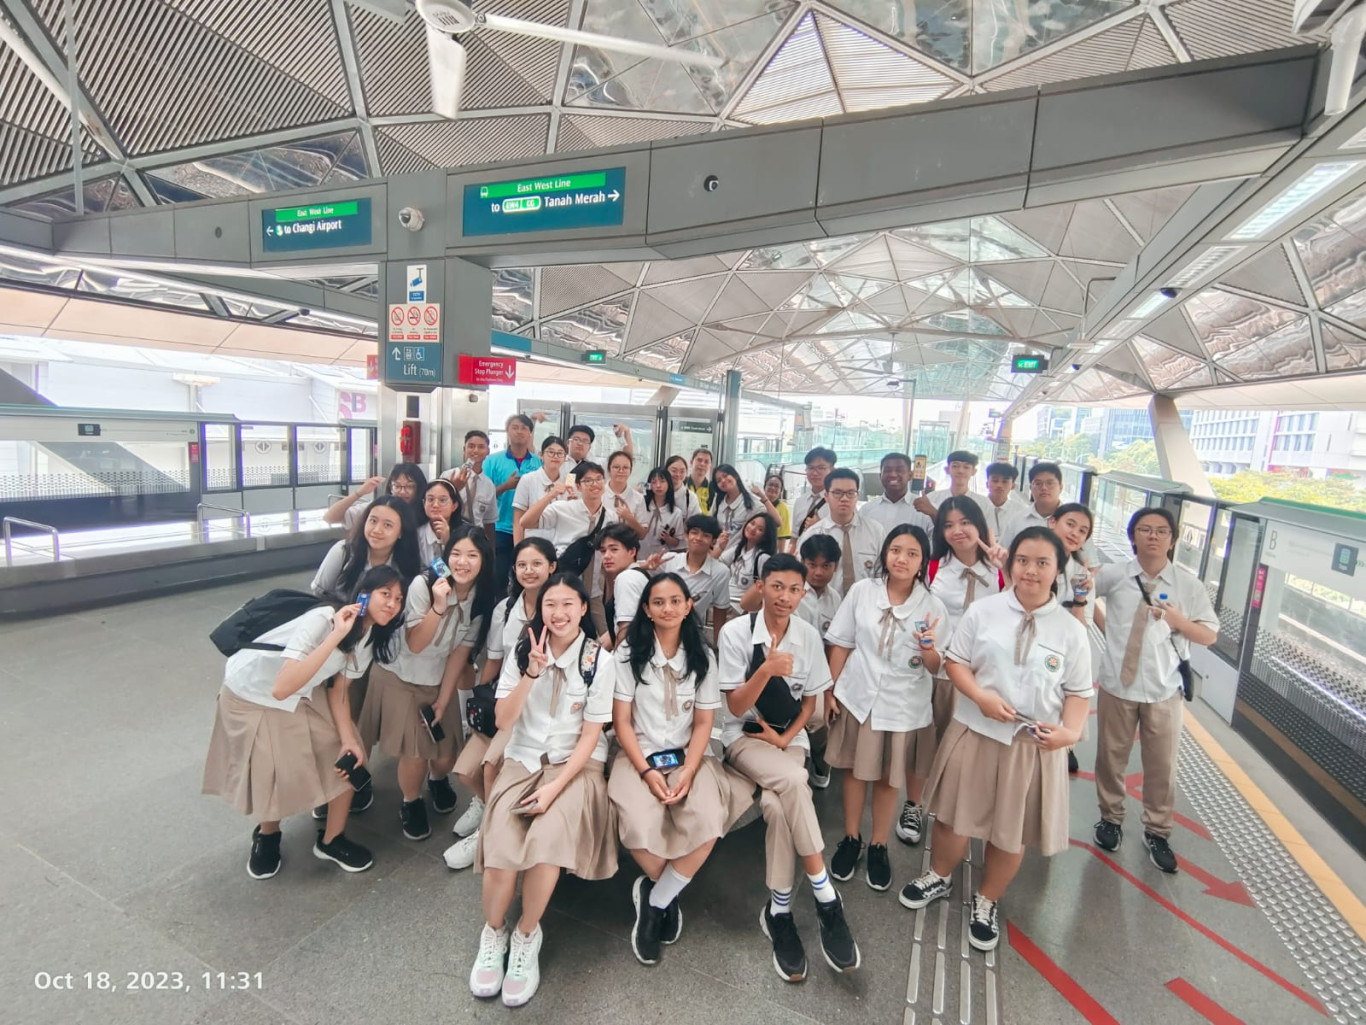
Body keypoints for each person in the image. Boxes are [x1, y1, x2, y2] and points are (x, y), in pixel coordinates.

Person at [900, 527, 1092, 953]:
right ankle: (939, 875)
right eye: (1023, 560)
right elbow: (956, 663)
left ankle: (986, 899)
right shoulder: (983, 612)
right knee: (953, 817)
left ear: (1058, 569)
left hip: (1031, 744)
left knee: (1010, 832)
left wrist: (1070, 732)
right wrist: (980, 697)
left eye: (1042, 563)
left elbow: (1079, 693)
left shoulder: (1070, 630)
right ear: (1010, 562)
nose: (1030, 570)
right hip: (976, 728)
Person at [469, 575, 618, 1007]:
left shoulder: (598, 660)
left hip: (574, 767)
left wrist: (555, 789)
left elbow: (591, 736)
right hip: (523, 757)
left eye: (568, 603)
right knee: (501, 852)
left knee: (546, 847)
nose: (559, 613)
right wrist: (531, 673)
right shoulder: (523, 651)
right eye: (551, 604)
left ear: (582, 609)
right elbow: (502, 721)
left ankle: (526, 934)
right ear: (541, 609)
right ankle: (493, 932)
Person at [202, 565, 405, 879]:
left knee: (348, 751)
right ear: (364, 595)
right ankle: (268, 835)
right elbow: (282, 687)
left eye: (399, 599)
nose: (392, 604)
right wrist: (336, 635)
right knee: (272, 768)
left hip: (299, 692)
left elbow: (339, 689)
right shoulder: (323, 619)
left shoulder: (368, 636)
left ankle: (332, 839)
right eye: (385, 594)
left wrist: (349, 740)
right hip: (250, 693)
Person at [717, 553, 860, 982]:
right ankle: (825, 893)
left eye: (794, 589)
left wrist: (786, 738)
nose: (785, 597)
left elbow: (811, 701)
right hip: (745, 737)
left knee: (778, 807)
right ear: (761, 586)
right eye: (776, 586)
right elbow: (734, 706)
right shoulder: (735, 633)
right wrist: (765, 670)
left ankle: (778, 910)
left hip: (788, 738)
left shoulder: (807, 635)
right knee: (798, 779)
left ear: (802, 594)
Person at [610, 573, 753, 966]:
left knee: (709, 819)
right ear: (646, 609)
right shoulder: (627, 654)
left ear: (689, 606)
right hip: (639, 754)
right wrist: (645, 771)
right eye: (658, 602)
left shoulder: (703, 655)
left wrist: (690, 769)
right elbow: (621, 722)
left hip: (689, 754)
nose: (668, 609)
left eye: (676, 601)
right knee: (636, 824)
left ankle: (655, 900)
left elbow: (705, 722)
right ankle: (667, 889)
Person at [1092, 507, 1217, 874]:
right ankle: (1110, 819)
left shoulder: (1188, 585)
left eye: (1162, 531)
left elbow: (1209, 635)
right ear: (1132, 536)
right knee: (1110, 757)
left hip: (1164, 689)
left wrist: (1179, 621)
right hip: (1117, 684)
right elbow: (1078, 595)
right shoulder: (1114, 574)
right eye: (1144, 529)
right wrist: (1103, 627)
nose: (1153, 536)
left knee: (1162, 765)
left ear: (1173, 540)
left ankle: (1158, 831)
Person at [825, 525, 947, 892]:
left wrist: (928, 649)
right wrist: (830, 690)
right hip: (858, 696)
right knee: (854, 771)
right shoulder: (863, 592)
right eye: (895, 550)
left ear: (923, 561)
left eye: (912, 553)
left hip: (902, 706)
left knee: (887, 779)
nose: (901, 559)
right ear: (884, 554)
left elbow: (937, 667)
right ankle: (851, 838)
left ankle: (878, 845)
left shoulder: (933, 606)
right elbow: (842, 643)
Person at [359, 527, 493, 841]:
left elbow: (460, 655)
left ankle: (437, 779)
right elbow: (416, 644)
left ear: (484, 561)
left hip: (437, 677)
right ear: (446, 556)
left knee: (446, 755)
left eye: (472, 555)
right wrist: (438, 606)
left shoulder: (481, 599)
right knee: (415, 752)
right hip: (400, 675)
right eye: (455, 554)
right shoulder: (426, 584)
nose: (462, 562)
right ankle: (411, 801)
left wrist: (444, 700)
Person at [446, 538, 557, 870]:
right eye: (522, 564)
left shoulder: (561, 608)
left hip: (539, 708)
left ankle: (489, 832)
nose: (528, 571)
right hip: (506, 701)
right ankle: (487, 806)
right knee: (464, 770)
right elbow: (494, 660)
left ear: (552, 567)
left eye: (536, 564)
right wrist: (481, 703)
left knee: (489, 765)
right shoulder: (505, 609)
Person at [907, 496, 1006, 844]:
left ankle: (958, 810)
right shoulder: (934, 567)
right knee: (926, 741)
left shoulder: (1000, 570)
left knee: (970, 748)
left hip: (984, 677)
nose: (957, 531)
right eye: (948, 525)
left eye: (965, 522)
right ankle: (913, 805)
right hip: (939, 671)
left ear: (980, 524)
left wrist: (1007, 568)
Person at [311, 495, 420, 603]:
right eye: (373, 521)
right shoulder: (343, 552)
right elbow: (319, 595)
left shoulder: (405, 564)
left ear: (401, 532)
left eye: (387, 525)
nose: (377, 530)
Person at [798, 467, 885, 594]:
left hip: (866, 603)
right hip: (826, 604)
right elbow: (801, 575)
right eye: (837, 493)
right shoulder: (813, 534)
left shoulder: (875, 531)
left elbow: (881, 574)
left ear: (857, 496)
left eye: (851, 493)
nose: (844, 498)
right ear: (826, 496)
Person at [486, 414, 542, 594]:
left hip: (529, 530)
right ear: (507, 431)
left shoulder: (538, 463)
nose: (519, 432)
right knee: (498, 579)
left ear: (530, 433)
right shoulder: (493, 461)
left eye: (524, 428)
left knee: (527, 579)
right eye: (515, 427)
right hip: (500, 529)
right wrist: (505, 486)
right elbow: (484, 496)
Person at [520, 460, 620, 557]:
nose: (594, 484)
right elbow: (526, 522)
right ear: (578, 486)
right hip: (565, 566)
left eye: (599, 479)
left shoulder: (611, 517)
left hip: (598, 568)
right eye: (588, 480)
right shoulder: (562, 509)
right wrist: (550, 495)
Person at [655, 515, 731, 640]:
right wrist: (648, 565)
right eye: (694, 533)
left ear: (713, 541)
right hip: (659, 626)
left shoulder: (720, 572)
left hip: (691, 631)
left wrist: (718, 644)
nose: (698, 538)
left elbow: (720, 609)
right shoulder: (669, 560)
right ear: (687, 536)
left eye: (705, 535)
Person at [716, 510, 776, 634]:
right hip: (725, 602)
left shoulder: (763, 558)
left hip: (740, 609)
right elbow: (716, 565)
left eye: (760, 529)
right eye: (752, 523)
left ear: (766, 535)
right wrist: (720, 547)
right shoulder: (739, 548)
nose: (753, 529)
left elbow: (766, 589)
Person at [587, 523, 646, 649]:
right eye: (603, 551)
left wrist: (619, 659)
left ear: (632, 551)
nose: (607, 556)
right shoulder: (636, 574)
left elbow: (625, 630)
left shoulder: (626, 578)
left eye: (614, 549)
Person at [323, 461, 427, 532]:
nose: (402, 492)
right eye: (397, 486)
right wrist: (359, 493)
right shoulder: (377, 509)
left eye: (409, 486)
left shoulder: (426, 513)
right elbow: (330, 518)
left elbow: (430, 555)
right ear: (390, 487)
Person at [512, 436, 570, 544]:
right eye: (551, 452)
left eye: (560, 453)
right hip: (534, 543)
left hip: (562, 544)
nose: (555, 456)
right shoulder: (528, 479)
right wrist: (518, 549)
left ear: (565, 457)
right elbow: (518, 521)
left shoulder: (569, 481)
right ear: (541, 455)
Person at [443, 430, 499, 539]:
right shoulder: (449, 475)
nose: (475, 450)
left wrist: (491, 547)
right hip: (450, 534)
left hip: (476, 537)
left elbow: (489, 522)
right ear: (464, 449)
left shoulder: (488, 485)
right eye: (471, 446)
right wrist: (454, 488)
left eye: (481, 447)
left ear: (488, 451)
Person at [863, 452, 933, 536]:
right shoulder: (867, 510)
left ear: (910, 475)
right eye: (887, 470)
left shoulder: (925, 510)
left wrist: (934, 514)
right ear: (880, 475)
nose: (893, 475)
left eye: (899, 470)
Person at [1000, 461, 1066, 549]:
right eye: (1038, 483)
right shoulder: (1017, 520)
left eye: (1050, 483)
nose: (1044, 488)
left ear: (1061, 487)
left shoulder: (1072, 521)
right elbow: (1004, 551)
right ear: (1031, 487)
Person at [914, 450, 987, 520]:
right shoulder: (931, 499)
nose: (960, 471)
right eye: (955, 466)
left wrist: (934, 512)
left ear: (974, 471)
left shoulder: (984, 503)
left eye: (966, 467)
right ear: (947, 469)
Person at [790, 447, 837, 549]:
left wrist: (820, 526)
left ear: (832, 470)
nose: (815, 473)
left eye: (821, 468)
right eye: (810, 468)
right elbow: (794, 537)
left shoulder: (837, 502)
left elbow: (844, 536)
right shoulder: (800, 501)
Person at [639, 466, 687, 560]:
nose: (658, 485)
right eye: (654, 482)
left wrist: (668, 539)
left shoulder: (676, 513)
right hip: (640, 556)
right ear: (649, 485)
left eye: (662, 481)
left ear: (669, 484)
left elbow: (677, 542)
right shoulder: (641, 505)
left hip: (662, 559)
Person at [709, 464, 755, 555]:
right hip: (718, 551)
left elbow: (776, 522)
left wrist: (764, 498)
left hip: (740, 553)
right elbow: (710, 522)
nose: (723, 481)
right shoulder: (719, 499)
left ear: (735, 476)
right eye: (718, 480)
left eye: (725, 476)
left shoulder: (751, 501)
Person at [417, 479, 464, 567]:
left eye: (442, 500)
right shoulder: (416, 533)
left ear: (454, 506)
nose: (435, 505)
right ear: (424, 503)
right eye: (430, 499)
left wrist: (448, 542)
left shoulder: (465, 533)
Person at [605, 449, 647, 533]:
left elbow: (642, 534)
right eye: (616, 467)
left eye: (625, 468)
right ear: (609, 469)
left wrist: (630, 518)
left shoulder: (638, 498)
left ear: (630, 471)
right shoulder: (598, 494)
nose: (621, 471)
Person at [983, 461, 1025, 538]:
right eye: (995, 481)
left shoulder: (1021, 511)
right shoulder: (976, 506)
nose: (999, 485)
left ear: (1013, 485)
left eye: (1005, 481)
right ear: (987, 484)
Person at [764, 475, 792, 543]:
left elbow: (782, 537)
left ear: (781, 491)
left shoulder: (783, 508)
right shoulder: (757, 505)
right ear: (764, 487)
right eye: (770, 484)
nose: (773, 488)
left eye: (777, 486)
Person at [686, 448, 714, 514]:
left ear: (710, 465)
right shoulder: (682, 484)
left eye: (706, 462)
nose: (702, 464)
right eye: (699, 460)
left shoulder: (712, 489)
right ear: (691, 462)